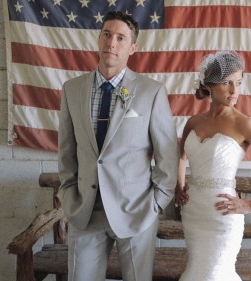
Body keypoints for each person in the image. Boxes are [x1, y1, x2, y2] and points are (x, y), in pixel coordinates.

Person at [57, 11, 179, 281]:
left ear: (132, 47)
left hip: (136, 212)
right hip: (85, 212)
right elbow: (66, 150)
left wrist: (157, 203)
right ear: (99, 39)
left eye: (121, 38)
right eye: (107, 34)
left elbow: (167, 153)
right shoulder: (72, 89)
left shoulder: (150, 91)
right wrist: (67, 194)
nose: (112, 42)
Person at [175, 50, 251, 281]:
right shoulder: (193, 122)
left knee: (215, 274)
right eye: (227, 83)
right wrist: (179, 187)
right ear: (209, 85)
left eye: (238, 82)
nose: (234, 91)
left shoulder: (245, 124)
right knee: (195, 272)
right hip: (193, 213)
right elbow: (181, 157)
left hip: (224, 215)